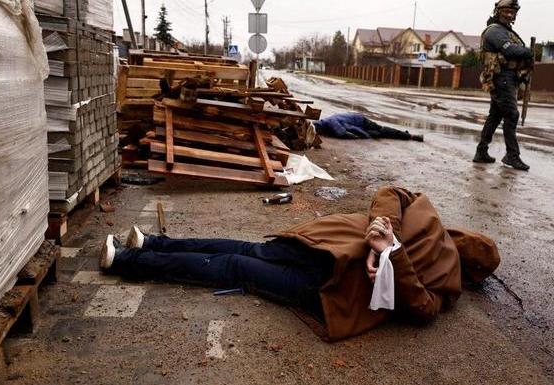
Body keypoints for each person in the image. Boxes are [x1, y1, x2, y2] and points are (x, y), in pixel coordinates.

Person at [100, 186, 500, 341]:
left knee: (244, 253)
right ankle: (131, 256)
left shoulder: (431, 223)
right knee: (239, 264)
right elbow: (424, 310)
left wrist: (390, 245)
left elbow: (391, 193)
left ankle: (147, 245)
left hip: (327, 260)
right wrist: (386, 239)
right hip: (329, 273)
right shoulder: (435, 234)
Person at [474, 0, 533, 171]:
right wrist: (528, 52)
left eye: (512, 12)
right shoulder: (494, 31)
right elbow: (510, 50)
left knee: (495, 116)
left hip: (507, 78)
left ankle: (481, 152)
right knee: (512, 115)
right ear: (497, 11)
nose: (509, 15)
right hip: (501, 78)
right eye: (506, 11)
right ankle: (512, 156)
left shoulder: (506, 31)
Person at [312, 112, 424, 142]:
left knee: (381, 130)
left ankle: (411, 136)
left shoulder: (331, 122)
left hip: (361, 121)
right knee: (381, 134)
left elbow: (342, 133)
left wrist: (358, 137)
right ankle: (402, 134)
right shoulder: (327, 122)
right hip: (358, 125)